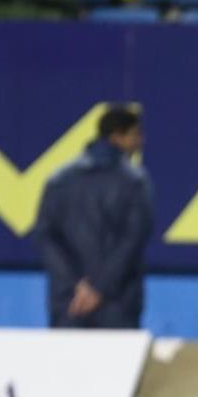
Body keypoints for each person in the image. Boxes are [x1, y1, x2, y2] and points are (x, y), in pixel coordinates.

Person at [34, 105, 152, 329]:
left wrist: (74, 285)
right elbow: (133, 241)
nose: (141, 141)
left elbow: (45, 236)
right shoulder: (135, 182)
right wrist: (99, 289)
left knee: (65, 364)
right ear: (117, 136)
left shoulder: (59, 179)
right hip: (117, 303)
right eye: (135, 135)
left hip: (70, 302)